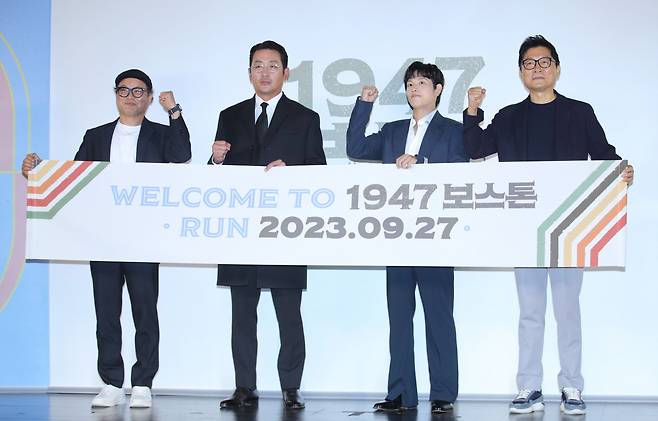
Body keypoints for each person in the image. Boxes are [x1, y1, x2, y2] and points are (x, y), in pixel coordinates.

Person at [463, 35, 634, 416]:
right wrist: (473, 111)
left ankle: (572, 386)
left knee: (568, 310)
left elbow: (604, 155)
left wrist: (621, 168)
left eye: (543, 62)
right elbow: (474, 149)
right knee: (530, 313)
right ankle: (529, 387)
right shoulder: (507, 117)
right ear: (520, 72)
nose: (536, 69)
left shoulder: (580, 112)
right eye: (528, 63)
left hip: (571, 229)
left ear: (556, 67)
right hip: (525, 230)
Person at [22, 69, 191, 408]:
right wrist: (38, 171)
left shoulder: (160, 134)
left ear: (148, 96)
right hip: (102, 238)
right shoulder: (96, 135)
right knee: (106, 311)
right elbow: (73, 178)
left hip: (144, 238)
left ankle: (143, 383)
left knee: (145, 310)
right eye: (125, 90)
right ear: (116, 95)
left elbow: (182, 152)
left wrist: (174, 111)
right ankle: (112, 382)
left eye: (139, 91)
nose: (131, 96)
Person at [208, 40, 326, 410]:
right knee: (242, 315)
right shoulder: (229, 115)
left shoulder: (306, 118)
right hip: (240, 233)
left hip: (284, 232)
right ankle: (245, 387)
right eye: (258, 65)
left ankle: (291, 387)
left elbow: (319, 171)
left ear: (286, 72)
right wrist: (214, 161)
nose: (264, 72)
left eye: (272, 65)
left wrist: (291, 174)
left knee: (288, 314)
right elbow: (216, 177)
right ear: (249, 73)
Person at [346, 61, 467, 414]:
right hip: (397, 235)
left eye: (423, 82)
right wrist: (364, 105)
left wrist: (422, 162)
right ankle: (400, 393)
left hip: (435, 236)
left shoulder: (453, 131)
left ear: (439, 89)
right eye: (410, 83)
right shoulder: (392, 129)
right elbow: (355, 147)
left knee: (438, 316)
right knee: (399, 317)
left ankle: (443, 392)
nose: (415, 88)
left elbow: (460, 172)